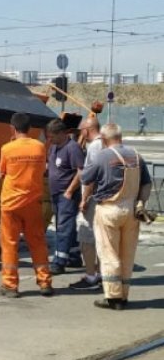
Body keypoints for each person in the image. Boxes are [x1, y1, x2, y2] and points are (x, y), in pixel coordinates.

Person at [81, 123, 152, 310]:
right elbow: (146, 184)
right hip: (132, 211)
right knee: (127, 255)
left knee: (109, 254)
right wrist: (141, 204)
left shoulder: (102, 156)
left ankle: (113, 297)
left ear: (104, 139)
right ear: (120, 137)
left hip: (109, 210)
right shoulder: (136, 156)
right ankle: (125, 295)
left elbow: (86, 178)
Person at [0, 112, 53, 297]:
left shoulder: (7, 149)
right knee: (37, 242)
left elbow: (2, 173)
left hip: (11, 203)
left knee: (10, 244)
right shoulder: (40, 148)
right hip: (33, 202)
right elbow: (42, 169)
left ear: (12, 128)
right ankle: (45, 282)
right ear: (30, 128)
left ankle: (10, 285)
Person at [46, 118, 85, 274]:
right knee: (67, 227)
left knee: (63, 228)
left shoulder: (73, 148)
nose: (50, 139)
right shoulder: (54, 148)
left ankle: (59, 261)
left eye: (53, 136)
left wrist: (69, 191)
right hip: (56, 194)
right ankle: (74, 257)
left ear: (62, 133)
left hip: (67, 195)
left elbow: (81, 172)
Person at [70, 116, 103, 290]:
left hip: (93, 199)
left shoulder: (95, 147)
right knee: (99, 239)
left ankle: (91, 276)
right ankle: (98, 273)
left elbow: (92, 176)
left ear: (87, 130)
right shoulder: (105, 144)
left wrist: (84, 199)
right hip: (102, 199)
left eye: (82, 130)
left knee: (86, 238)